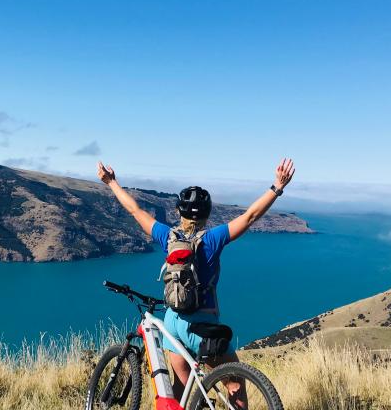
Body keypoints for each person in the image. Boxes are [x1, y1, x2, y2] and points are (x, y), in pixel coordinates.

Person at [97, 158, 295, 405]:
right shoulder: (213, 239)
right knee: (235, 384)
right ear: (208, 213)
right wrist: (277, 187)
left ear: (179, 212)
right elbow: (250, 216)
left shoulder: (168, 237)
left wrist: (111, 182)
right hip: (201, 328)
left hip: (173, 323)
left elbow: (135, 210)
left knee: (180, 393)